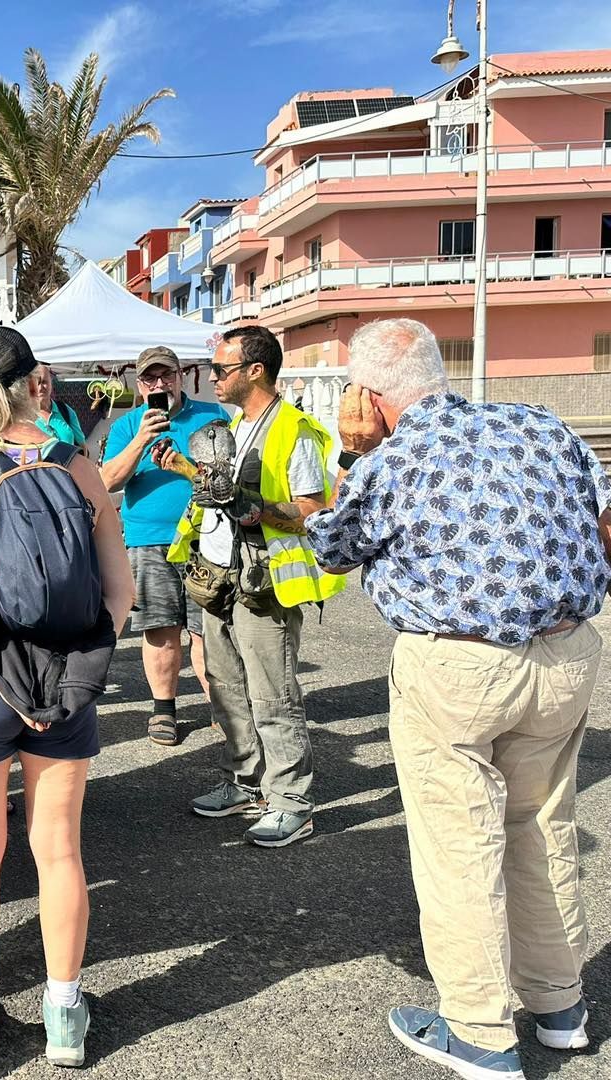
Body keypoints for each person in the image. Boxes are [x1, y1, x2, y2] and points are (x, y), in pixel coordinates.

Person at [304, 319, 611, 1080]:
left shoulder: (390, 458)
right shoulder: (541, 424)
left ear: (371, 399)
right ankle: (559, 1005)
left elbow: (330, 546)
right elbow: (602, 514)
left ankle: (478, 1032)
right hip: (567, 653)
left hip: (459, 666)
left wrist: (354, 455)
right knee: (543, 826)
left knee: (459, 846)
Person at [0, 327, 135, 1075]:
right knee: (59, 850)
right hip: (64, 678)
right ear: (35, 381)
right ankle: (64, 1014)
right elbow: (121, 591)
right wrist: (76, 669)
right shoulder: (81, 468)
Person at [157, 325, 344, 848]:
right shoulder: (235, 426)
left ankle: (292, 802)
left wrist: (258, 511)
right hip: (220, 577)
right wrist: (186, 471)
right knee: (226, 686)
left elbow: (313, 510)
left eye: (221, 369)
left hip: (264, 582)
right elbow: (221, 493)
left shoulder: (293, 429)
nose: (212, 378)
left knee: (272, 693)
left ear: (254, 371)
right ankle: (245, 782)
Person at [100, 346, 227, 747]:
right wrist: (140, 440)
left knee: (209, 631)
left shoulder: (213, 416)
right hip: (148, 539)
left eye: (166, 376)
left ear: (180, 376)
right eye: (150, 379)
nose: (159, 385)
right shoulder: (128, 426)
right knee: (160, 629)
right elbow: (105, 482)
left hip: (205, 537)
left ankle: (221, 709)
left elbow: (228, 476)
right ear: (140, 385)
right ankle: (164, 710)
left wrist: (188, 467)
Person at [29, 363, 86, 449]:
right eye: (37, 383)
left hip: (69, 461)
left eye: (44, 382)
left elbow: (82, 445)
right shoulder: (25, 416)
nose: (40, 388)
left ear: (51, 383)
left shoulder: (65, 410)